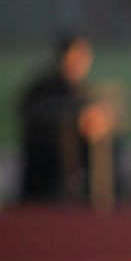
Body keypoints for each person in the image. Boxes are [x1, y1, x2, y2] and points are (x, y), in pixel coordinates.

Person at [18, 34, 113, 202]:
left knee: (101, 137)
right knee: (65, 134)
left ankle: (101, 197)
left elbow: (106, 114)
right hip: (48, 155)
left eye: (84, 56)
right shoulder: (42, 88)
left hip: (82, 153)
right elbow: (29, 111)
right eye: (76, 56)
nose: (81, 61)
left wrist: (96, 121)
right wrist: (73, 119)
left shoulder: (85, 90)